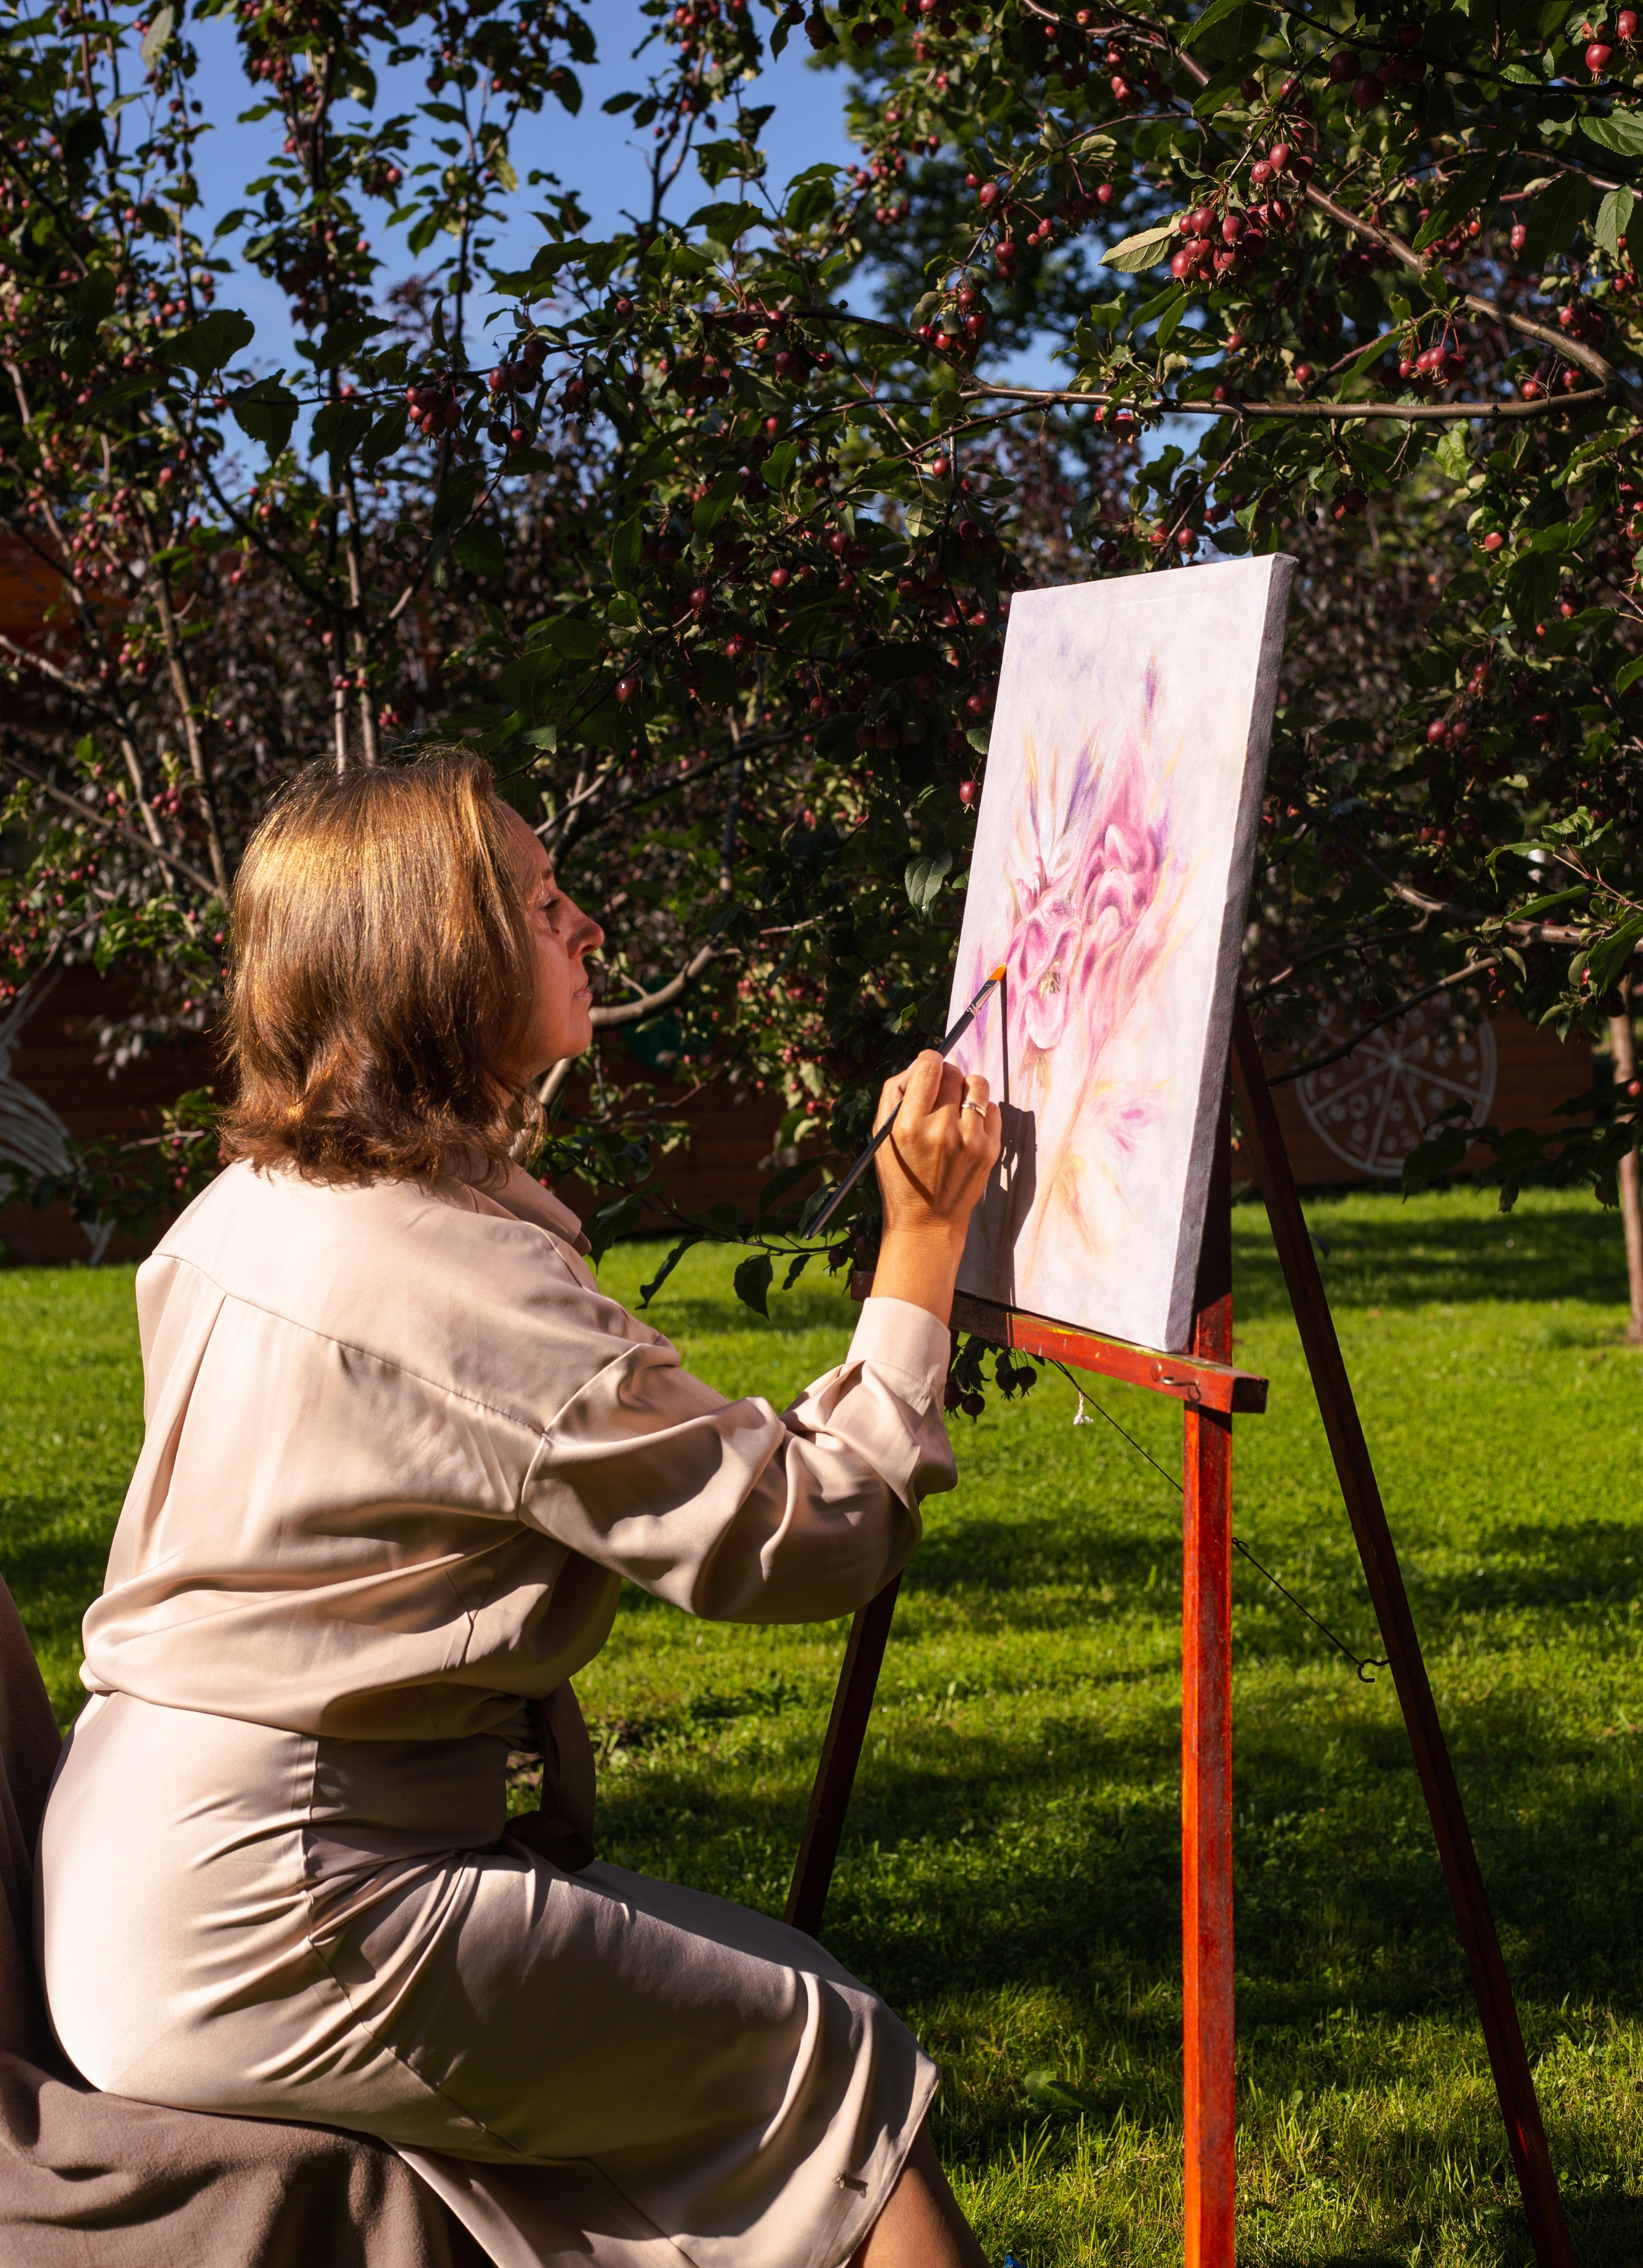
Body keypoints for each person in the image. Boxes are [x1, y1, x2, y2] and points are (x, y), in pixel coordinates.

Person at [37, 750, 1003, 2268]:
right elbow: (796, 1536)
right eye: (544, 903)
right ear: (441, 960)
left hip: (138, 1873)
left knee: (701, 2057)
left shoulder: (246, 1207)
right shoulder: (448, 1272)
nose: (589, 928)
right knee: (824, 2055)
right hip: (275, 1909)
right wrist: (922, 1251)